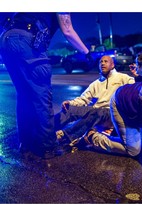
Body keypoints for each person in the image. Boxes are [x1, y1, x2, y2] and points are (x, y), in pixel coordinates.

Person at [0, 13, 93, 159]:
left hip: (6, 39)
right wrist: (87, 53)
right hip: (26, 39)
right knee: (42, 95)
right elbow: (67, 29)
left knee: (24, 95)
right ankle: (47, 147)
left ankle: (26, 145)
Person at [54, 55, 135, 146]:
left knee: (97, 111)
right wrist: (70, 103)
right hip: (96, 112)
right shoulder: (96, 83)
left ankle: (65, 136)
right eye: (101, 62)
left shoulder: (123, 78)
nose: (102, 63)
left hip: (111, 113)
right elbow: (83, 99)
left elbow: (134, 88)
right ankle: (48, 129)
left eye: (106, 61)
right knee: (69, 109)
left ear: (112, 65)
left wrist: (138, 76)